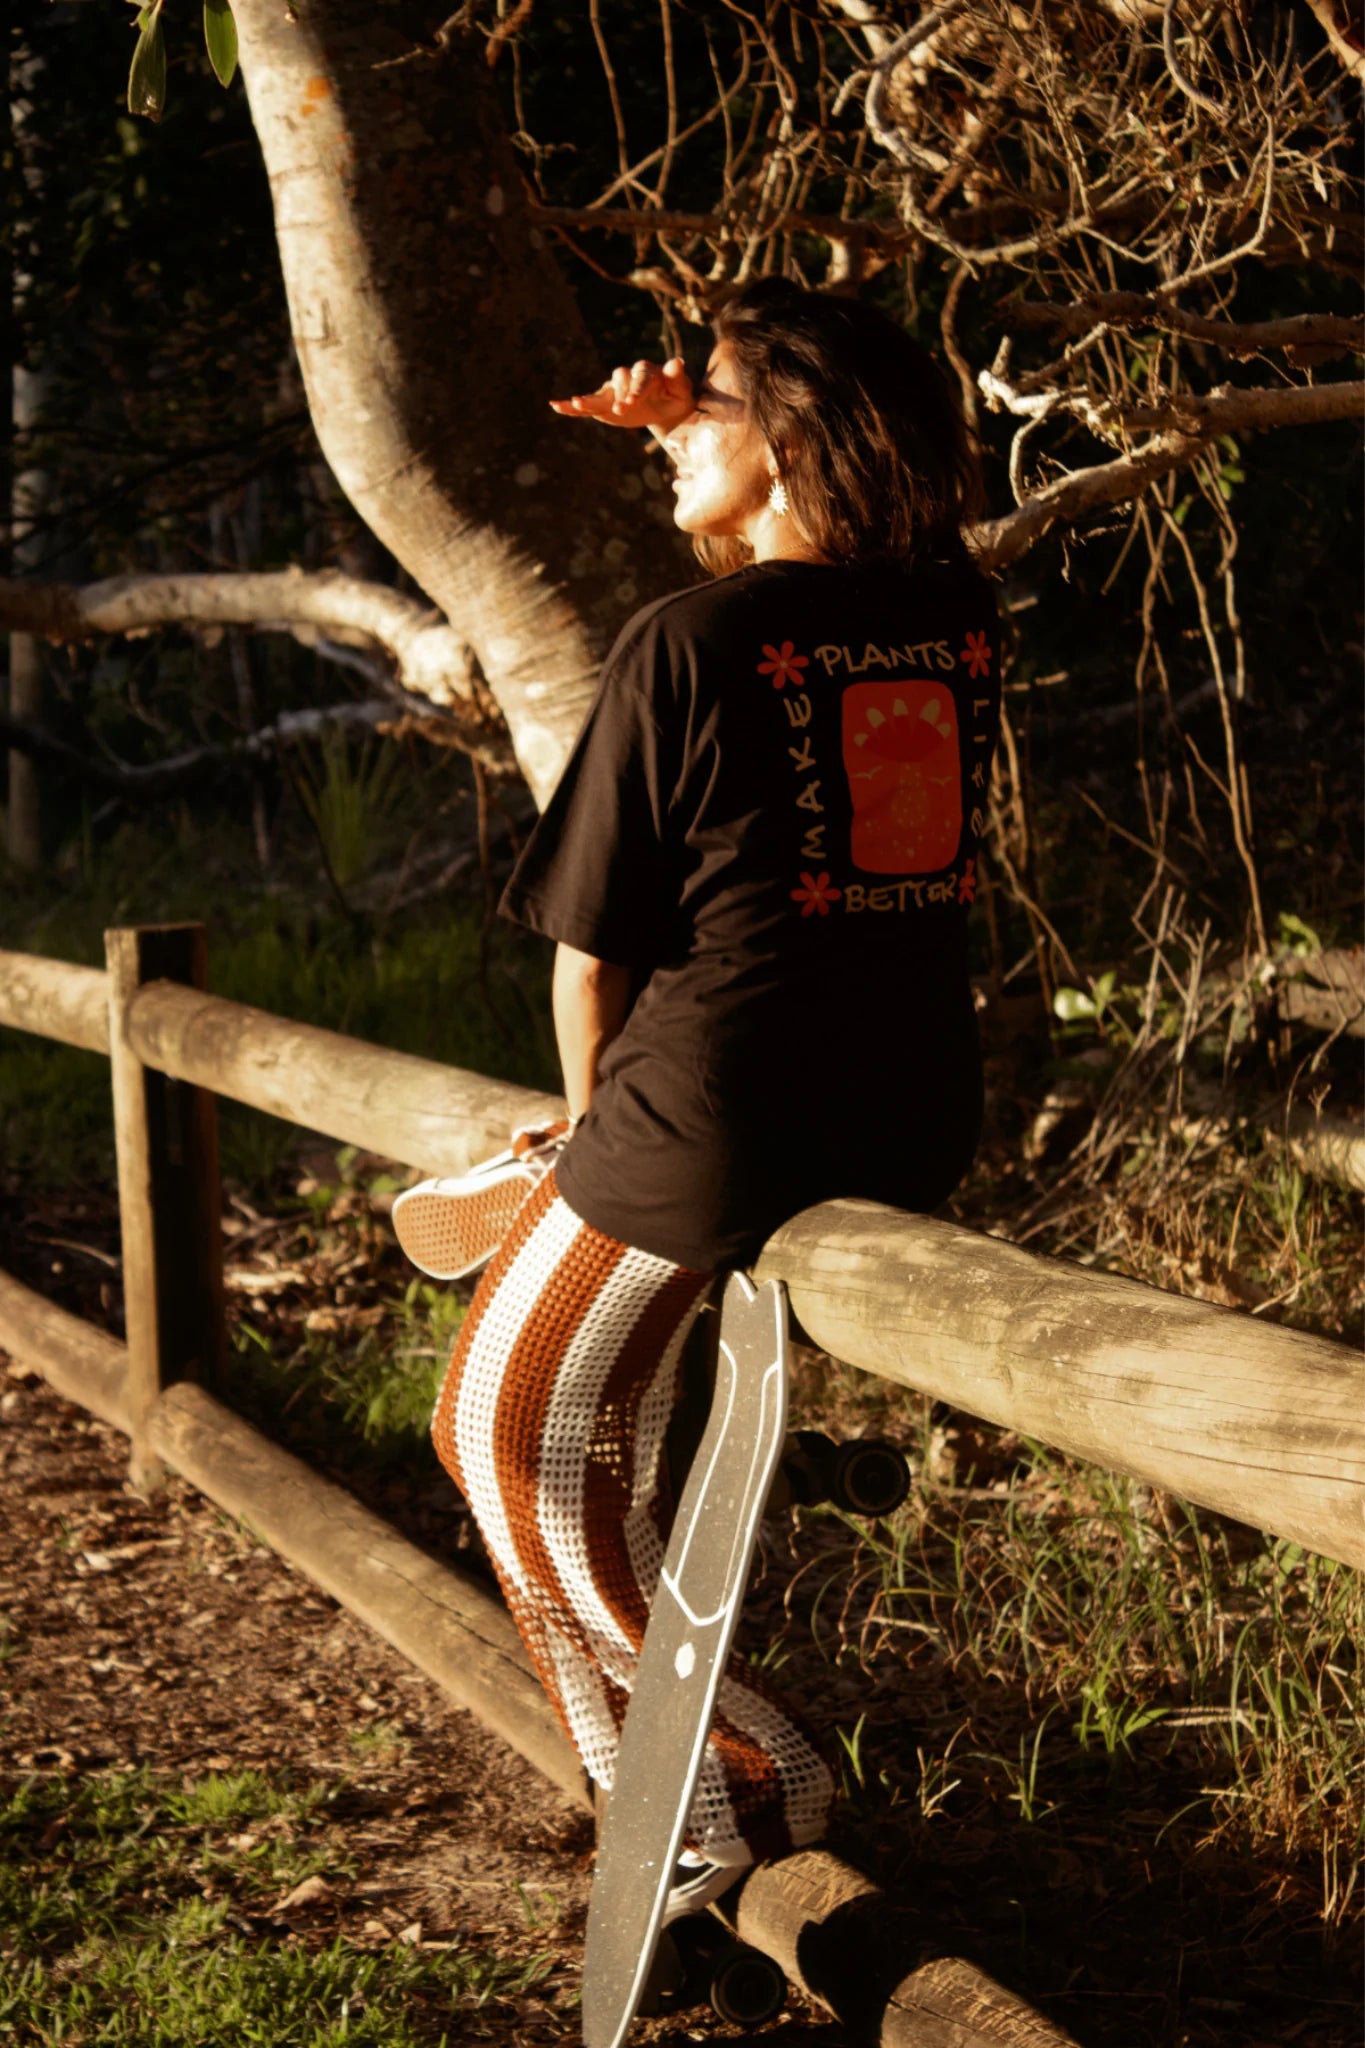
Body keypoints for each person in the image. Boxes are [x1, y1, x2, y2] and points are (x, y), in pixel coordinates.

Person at [423, 279, 1000, 1918]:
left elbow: (590, 953)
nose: (672, 430)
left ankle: (753, 1763)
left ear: (791, 437)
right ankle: (663, 1823)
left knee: (491, 1433)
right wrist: (698, 420)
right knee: (590, 1444)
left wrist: (583, 1114)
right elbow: (805, 563)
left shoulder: (688, 638)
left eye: (703, 409)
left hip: (706, 1110)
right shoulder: (951, 616)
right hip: (901, 1103)